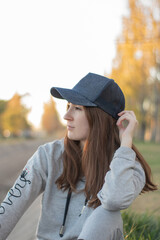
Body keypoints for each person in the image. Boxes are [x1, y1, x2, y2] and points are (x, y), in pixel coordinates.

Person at [0, 72, 157, 240]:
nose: (66, 116)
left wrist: (125, 144)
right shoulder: (48, 155)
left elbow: (115, 200)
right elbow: (9, 209)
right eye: (68, 106)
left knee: (108, 215)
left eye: (77, 108)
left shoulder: (128, 166)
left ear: (100, 117)